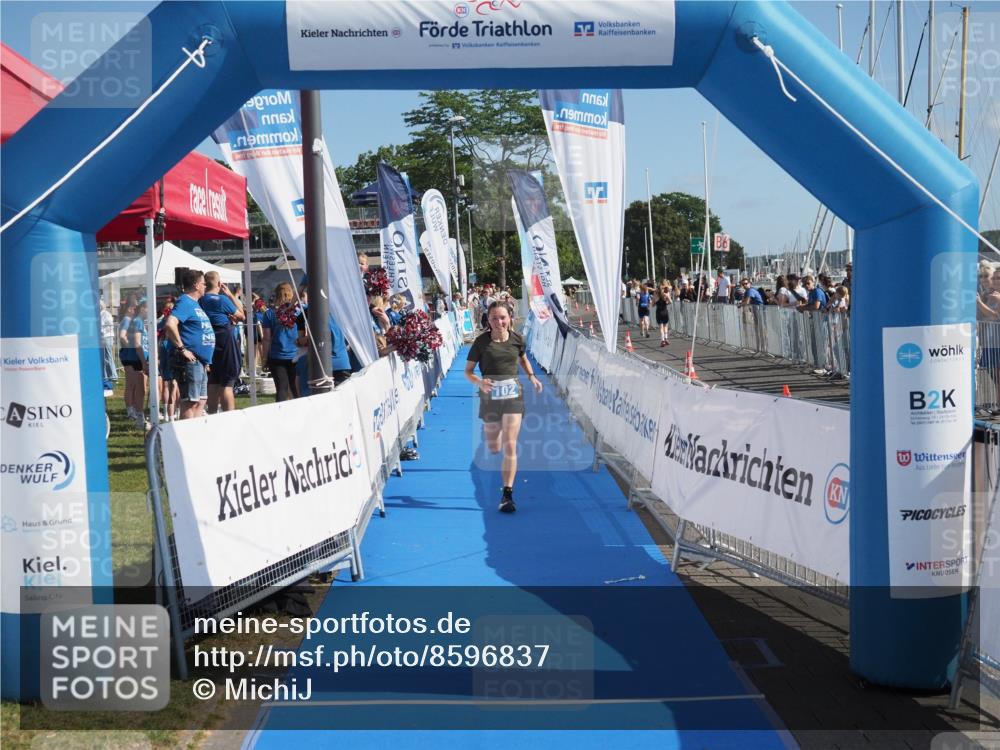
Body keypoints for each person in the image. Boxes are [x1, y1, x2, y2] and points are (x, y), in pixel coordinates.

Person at [464, 301, 543, 513]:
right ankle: (491, 432)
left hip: (513, 396)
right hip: (490, 397)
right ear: (488, 320)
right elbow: (468, 372)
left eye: (502, 318)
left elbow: (523, 359)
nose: (499, 322)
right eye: (494, 318)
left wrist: (532, 377)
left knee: (509, 445)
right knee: (494, 447)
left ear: (510, 318)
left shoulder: (517, 339)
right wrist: (479, 382)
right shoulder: (481, 342)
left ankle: (507, 495)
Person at [164, 270, 215, 420]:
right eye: (204, 283)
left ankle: (196, 436)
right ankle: (185, 437)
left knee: (201, 400)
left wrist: (206, 359)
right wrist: (182, 349)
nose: (206, 286)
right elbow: (170, 324)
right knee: (190, 402)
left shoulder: (195, 304)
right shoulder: (185, 301)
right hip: (190, 361)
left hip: (200, 362)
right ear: (196, 285)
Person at [200, 272, 245, 413]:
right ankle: (229, 417)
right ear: (219, 284)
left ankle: (212, 414)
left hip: (208, 341)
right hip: (225, 341)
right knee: (227, 383)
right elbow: (242, 314)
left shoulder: (200, 300)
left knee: (213, 381)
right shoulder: (221, 300)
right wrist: (230, 295)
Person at [260, 281, 300, 401]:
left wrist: (265, 358)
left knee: (281, 388)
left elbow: (266, 338)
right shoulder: (299, 311)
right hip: (296, 354)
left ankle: (280, 414)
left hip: (277, 355)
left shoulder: (269, 314)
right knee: (295, 387)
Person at [127, 299, 151, 429]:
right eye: (148, 308)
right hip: (138, 360)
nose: (149, 311)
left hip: (142, 359)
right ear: (142, 308)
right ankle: (139, 418)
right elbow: (137, 344)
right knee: (140, 389)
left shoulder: (140, 322)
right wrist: (143, 362)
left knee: (142, 388)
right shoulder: (137, 322)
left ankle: (140, 416)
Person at [100, 300, 117, 384]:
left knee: (108, 357)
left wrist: (102, 331)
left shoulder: (105, 314)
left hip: (106, 337)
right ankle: (107, 375)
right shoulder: (102, 314)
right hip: (105, 337)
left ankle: (113, 376)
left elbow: (107, 325)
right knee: (105, 357)